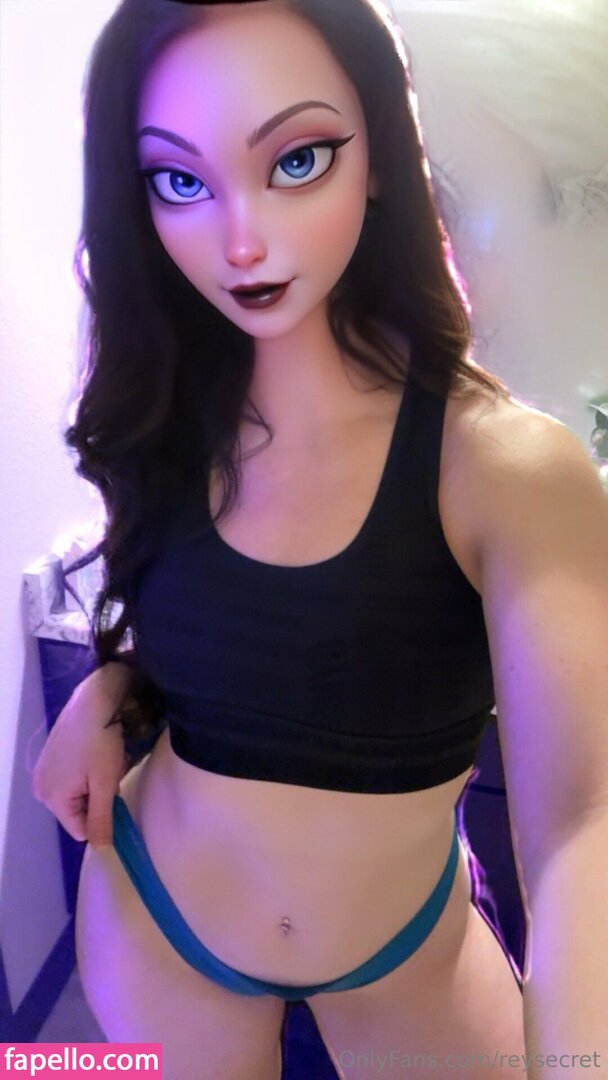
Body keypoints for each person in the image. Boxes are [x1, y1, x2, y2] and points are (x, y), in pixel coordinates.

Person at [32, 1, 608, 1077]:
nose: (240, 241)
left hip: (408, 956)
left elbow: (583, 825)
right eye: (180, 181)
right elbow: (226, 640)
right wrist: (111, 690)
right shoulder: (164, 421)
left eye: (296, 160)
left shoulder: (504, 468)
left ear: (378, 156)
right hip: (158, 924)